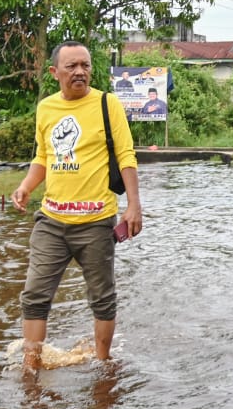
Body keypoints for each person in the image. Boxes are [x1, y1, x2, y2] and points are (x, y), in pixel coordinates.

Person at [12, 41, 142, 374]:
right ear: (55, 72)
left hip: (96, 222)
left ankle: (103, 366)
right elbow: (43, 156)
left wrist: (133, 206)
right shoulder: (46, 108)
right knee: (35, 296)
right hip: (51, 220)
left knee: (102, 298)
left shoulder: (106, 103)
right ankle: (31, 369)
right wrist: (26, 187)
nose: (80, 72)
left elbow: (126, 155)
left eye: (84, 65)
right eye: (71, 66)